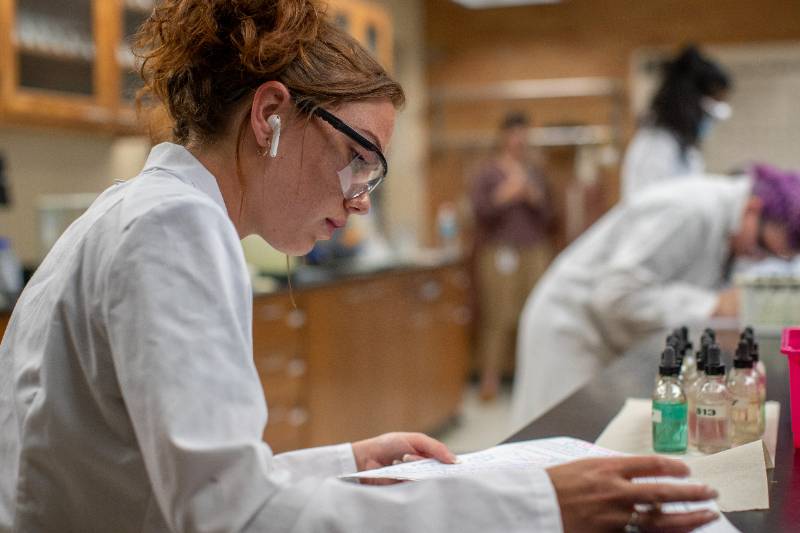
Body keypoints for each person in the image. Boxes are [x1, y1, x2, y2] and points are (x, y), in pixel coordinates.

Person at [0, 1, 720, 532]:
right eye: (358, 162)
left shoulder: (134, 210)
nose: (360, 202)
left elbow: (184, 484)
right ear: (269, 116)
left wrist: (344, 458)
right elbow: (235, 519)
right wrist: (542, 504)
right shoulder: (175, 225)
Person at [512, 164, 800, 429]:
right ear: (753, 208)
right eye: (762, 246)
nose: (758, 258)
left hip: (610, 333)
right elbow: (615, 294)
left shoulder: (729, 226)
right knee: (554, 441)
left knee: (596, 442)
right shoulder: (687, 209)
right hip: (571, 325)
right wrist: (711, 307)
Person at [471, 112, 552, 401]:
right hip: (499, 251)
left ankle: (529, 380)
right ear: (504, 135)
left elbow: (549, 215)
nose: (520, 139)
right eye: (515, 133)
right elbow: (480, 212)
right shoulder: (488, 171)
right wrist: (505, 194)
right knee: (498, 315)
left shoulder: (535, 171)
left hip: (534, 250)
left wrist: (532, 196)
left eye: (524, 133)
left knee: (534, 315)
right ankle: (489, 380)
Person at [621, 45, 732, 200]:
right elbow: (652, 209)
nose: (708, 122)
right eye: (708, 114)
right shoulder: (656, 146)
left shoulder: (682, 148)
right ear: (690, 104)